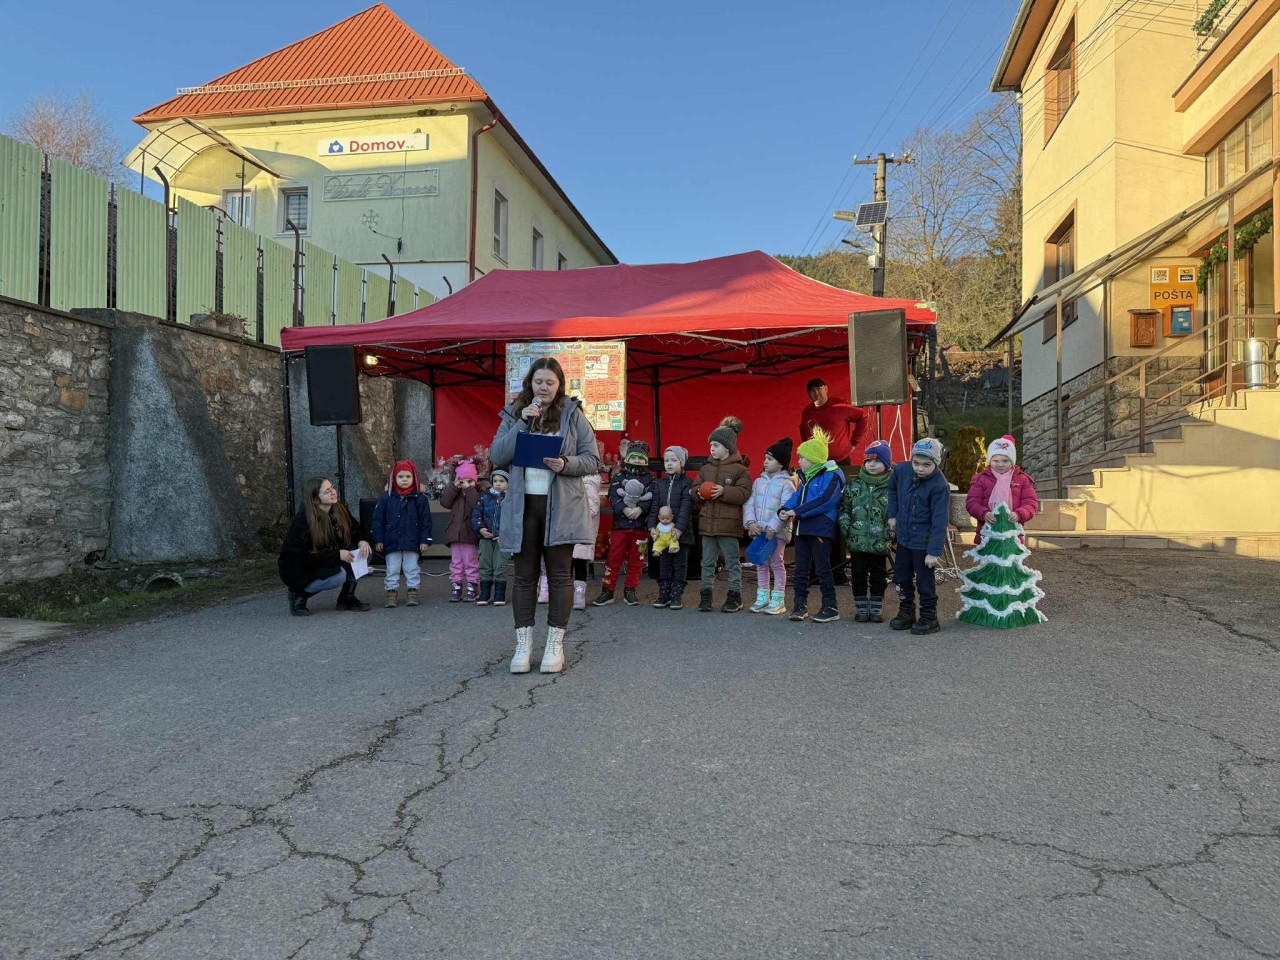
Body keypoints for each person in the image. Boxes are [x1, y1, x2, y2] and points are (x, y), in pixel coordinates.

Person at [490, 357, 601, 674]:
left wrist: (566, 464)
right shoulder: (515, 412)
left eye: (550, 382)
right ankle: (523, 647)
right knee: (524, 577)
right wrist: (521, 422)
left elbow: (592, 459)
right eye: (539, 381)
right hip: (523, 508)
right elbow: (497, 454)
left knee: (559, 576)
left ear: (559, 384)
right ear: (530, 383)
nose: (544, 387)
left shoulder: (572, 415)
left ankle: (555, 645)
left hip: (561, 506)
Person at [779, 427, 846, 623]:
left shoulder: (832, 475)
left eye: (802, 457)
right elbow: (797, 496)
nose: (798, 461)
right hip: (802, 528)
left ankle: (831, 606)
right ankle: (800, 606)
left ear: (814, 458)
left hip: (820, 529)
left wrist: (797, 511)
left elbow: (825, 500)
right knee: (801, 569)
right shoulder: (806, 477)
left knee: (822, 568)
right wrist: (785, 508)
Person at [278, 476, 372, 616]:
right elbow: (302, 558)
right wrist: (337, 554)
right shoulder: (302, 522)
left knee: (364, 551)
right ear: (315, 500)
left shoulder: (338, 508)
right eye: (327, 491)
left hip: (327, 557)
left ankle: (346, 597)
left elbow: (356, 528)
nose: (333, 492)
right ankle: (299, 594)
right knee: (338, 576)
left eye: (332, 487)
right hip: (300, 569)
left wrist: (362, 540)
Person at [887, 438, 950, 634]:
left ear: (936, 463)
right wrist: (892, 514)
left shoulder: (940, 485)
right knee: (901, 577)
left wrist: (934, 551)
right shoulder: (901, 471)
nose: (920, 469)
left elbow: (940, 520)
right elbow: (892, 489)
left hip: (924, 542)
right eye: (916, 463)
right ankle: (906, 611)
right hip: (904, 538)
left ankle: (929, 617)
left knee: (924, 581)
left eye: (926, 465)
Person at [692, 417, 752, 613]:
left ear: (727, 448)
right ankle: (706, 595)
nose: (712, 448)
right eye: (711, 445)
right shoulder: (705, 469)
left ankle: (735, 596)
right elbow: (694, 489)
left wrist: (724, 491)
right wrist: (698, 493)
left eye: (716, 445)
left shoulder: (740, 470)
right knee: (707, 562)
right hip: (707, 526)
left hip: (728, 526)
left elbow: (744, 493)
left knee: (732, 562)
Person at [594, 441, 655, 607]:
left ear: (645, 460)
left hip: (641, 527)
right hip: (620, 527)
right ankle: (607, 591)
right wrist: (624, 509)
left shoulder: (650, 478)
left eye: (640, 458)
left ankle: (630, 590)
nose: (636, 460)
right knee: (613, 559)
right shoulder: (619, 476)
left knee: (637, 560)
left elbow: (653, 497)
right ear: (628, 458)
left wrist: (641, 509)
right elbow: (613, 495)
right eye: (633, 457)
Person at [838, 440, 893, 623]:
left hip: (880, 541)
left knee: (879, 576)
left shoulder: (891, 488)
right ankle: (861, 608)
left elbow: (896, 513)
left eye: (877, 461)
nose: (872, 464)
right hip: (857, 540)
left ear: (886, 464)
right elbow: (844, 509)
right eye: (868, 461)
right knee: (858, 575)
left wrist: (891, 532)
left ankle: (876, 608)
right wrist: (847, 529)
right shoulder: (853, 485)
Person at [743, 438, 796, 615]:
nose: (765, 462)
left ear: (780, 464)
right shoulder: (759, 482)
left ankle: (778, 599)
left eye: (770, 459)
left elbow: (785, 508)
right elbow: (749, 504)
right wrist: (751, 523)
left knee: (777, 563)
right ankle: (762, 597)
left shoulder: (787, 484)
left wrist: (773, 527)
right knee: (761, 562)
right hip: (760, 532)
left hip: (776, 533)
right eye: (765, 458)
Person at [372, 459, 433, 609]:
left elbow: (426, 521)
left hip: (412, 539)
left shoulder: (420, 498)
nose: (404, 479)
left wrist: (425, 540)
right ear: (394, 478)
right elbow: (378, 519)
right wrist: (378, 539)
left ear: (414, 478)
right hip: (391, 539)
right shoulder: (386, 497)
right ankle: (391, 593)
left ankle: (413, 591)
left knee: (411, 568)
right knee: (392, 568)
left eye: (408, 476)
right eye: (400, 476)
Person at [965, 435, 1038, 546]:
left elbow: (1030, 503)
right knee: (988, 556)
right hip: (987, 532)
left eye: (1005, 461)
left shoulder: (1022, 480)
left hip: (1013, 533)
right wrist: (984, 513)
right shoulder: (981, 479)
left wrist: (1019, 514)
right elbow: (972, 503)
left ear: (1012, 461)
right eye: (996, 460)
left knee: (1011, 557)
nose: (1000, 464)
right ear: (990, 460)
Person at [648, 445, 694, 609]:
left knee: (680, 564)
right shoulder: (659, 483)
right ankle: (664, 594)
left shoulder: (687, 483)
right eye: (666, 460)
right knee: (664, 563)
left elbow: (686, 509)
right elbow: (654, 507)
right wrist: (652, 527)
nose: (669, 463)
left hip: (681, 532)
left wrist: (678, 530)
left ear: (681, 463)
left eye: (674, 460)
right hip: (662, 533)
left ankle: (676, 595)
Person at [798, 378, 870, 468]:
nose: (816, 393)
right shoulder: (807, 411)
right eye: (812, 391)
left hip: (840, 462)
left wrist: (854, 442)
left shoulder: (840, 406)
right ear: (809, 394)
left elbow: (863, 415)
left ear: (826, 389)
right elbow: (803, 430)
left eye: (819, 389)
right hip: (817, 463)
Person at [439, 461, 482, 603]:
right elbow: (445, 502)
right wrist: (454, 487)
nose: (465, 484)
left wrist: (470, 490)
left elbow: (476, 505)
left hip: (469, 534)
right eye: (462, 481)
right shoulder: (455, 493)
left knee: (471, 561)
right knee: (456, 562)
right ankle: (456, 585)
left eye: (470, 481)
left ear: (475, 480)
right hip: (455, 533)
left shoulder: (478, 492)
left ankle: (472, 585)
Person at [472, 469, 510, 606]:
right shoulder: (485, 498)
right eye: (495, 481)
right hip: (485, 538)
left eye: (502, 481)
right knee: (484, 565)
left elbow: (514, 519)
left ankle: (499, 594)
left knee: (500, 566)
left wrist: (505, 534)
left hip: (502, 539)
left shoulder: (511, 499)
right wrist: (481, 528)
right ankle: (485, 593)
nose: (498, 484)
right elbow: (476, 514)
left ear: (508, 483)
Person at [572, 467, 603, 610]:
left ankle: (579, 595)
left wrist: (570, 511)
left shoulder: (588, 484)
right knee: (568, 564)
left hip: (582, 531)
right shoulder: (577, 482)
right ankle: (569, 594)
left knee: (579, 563)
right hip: (572, 531)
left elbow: (592, 509)